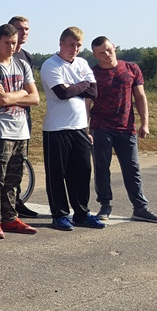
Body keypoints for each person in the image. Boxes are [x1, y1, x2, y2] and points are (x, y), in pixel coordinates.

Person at [88, 36, 157, 223]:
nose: (107, 54)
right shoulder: (92, 73)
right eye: (101, 53)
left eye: (108, 49)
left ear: (114, 47)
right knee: (102, 168)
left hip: (126, 126)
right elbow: (86, 102)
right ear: (95, 55)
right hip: (100, 126)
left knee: (132, 168)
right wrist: (85, 128)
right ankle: (105, 205)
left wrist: (145, 123)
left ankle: (140, 208)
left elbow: (140, 97)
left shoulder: (131, 69)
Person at [40, 27, 105, 231]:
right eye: (71, 44)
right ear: (61, 43)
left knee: (82, 172)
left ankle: (81, 213)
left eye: (78, 45)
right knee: (57, 174)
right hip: (56, 128)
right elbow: (62, 93)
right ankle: (59, 215)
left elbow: (93, 91)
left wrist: (75, 86)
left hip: (79, 127)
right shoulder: (51, 65)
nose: (74, 49)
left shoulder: (82, 63)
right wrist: (82, 84)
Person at [0, 24, 39, 238]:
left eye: (13, 43)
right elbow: (0, 100)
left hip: (20, 130)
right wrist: (22, 92)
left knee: (14, 179)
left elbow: (35, 98)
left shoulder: (22, 64)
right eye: (6, 43)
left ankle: (10, 217)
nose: (11, 47)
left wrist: (14, 95)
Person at [8, 15, 40, 219]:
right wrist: (19, 96)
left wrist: (15, 97)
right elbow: (0, 97)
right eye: (19, 29)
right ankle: (5, 205)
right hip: (5, 119)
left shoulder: (27, 56)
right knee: (4, 167)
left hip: (24, 117)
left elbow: (33, 94)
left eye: (26, 29)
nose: (23, 33)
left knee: (20, 162)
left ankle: (17, 201)